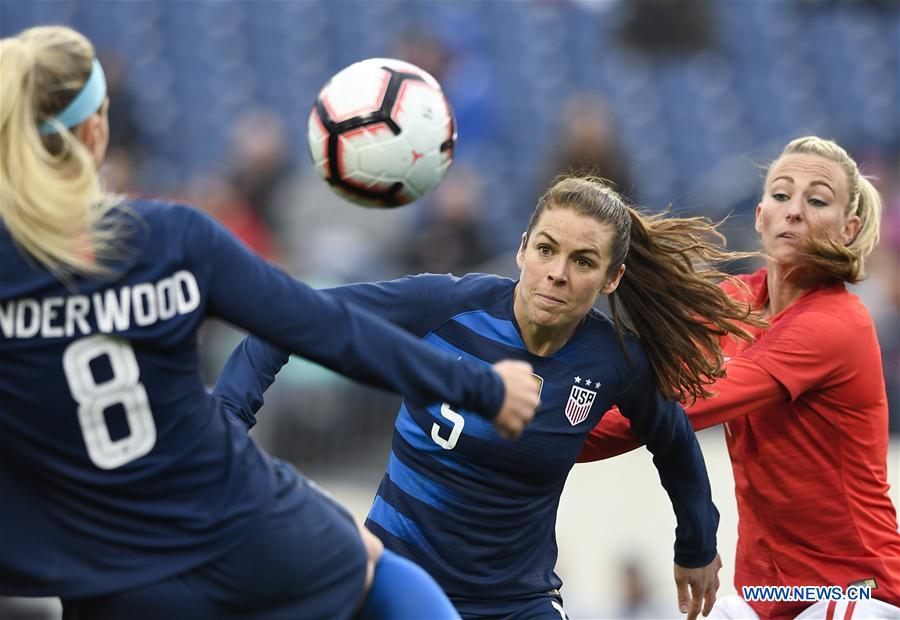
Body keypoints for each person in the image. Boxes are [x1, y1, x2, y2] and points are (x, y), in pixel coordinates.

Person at [0, 25, 543, 620]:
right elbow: (322, 325)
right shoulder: (171, 238)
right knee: (371, 564)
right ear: (94, 130)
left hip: (109, 575)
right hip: (241, 529)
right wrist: (484, 387)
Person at [215, 174, 770, 619]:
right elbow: (284, 319)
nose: (556, 274)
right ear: (522, 250)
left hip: (514, 604)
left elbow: (673, 441)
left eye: (582, 261)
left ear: (611, 278)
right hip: (396, 582)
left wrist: (696, 543)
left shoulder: (615, 362)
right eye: (547, 250)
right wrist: (224, 423)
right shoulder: (444, 306)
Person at [579, 137, 900, 619]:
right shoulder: (733, 303)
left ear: (849, 229)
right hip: (769, 596)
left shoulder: (837, 325)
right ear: (759, 215)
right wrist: (530, 437)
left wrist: (547, 428)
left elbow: (685, 404)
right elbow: (651, 407)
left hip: (855, 588)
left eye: (817, 200)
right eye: (781, 194)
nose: (794, 210)